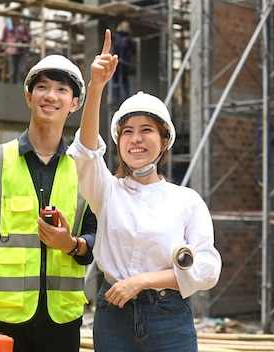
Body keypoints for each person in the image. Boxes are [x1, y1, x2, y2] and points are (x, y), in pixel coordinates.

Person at [67, 29, 222, 352]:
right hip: (114, 317)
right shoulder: (106, 191)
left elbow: (207, 269)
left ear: (165, 141)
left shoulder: (186, 201)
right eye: (128, 132)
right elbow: (85, 151)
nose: (136, 139)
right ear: (118, 141)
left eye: (146, 130)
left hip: (169, 317)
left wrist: (143, 280)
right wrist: (95, 86)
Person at [0, 54, 97, 352]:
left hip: (62, 320)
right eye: (43, 87)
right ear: (28, 96)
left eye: (62, 89)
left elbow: (95, 236)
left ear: (74, 103)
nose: (51, 96)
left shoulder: (84, 167)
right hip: (3, 317)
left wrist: (71, 244)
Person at [0, 16, 32, 84]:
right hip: (11, 51)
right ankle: (12, 90)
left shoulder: (23, 26)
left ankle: (20, 89)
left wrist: (27, 43)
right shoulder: (8, 26)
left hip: (22, 51)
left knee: (21, 72)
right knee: (12, 73)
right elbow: (2, 39)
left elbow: (29, 37)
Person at [111, 20, 137, 104]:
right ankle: (120, 97)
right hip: (120, 61)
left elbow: (133, 50)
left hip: (120, 62)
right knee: (120, 80)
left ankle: (119, 97)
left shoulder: (122, 38)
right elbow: (133, 50)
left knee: (119, 80)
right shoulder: (126, 38)